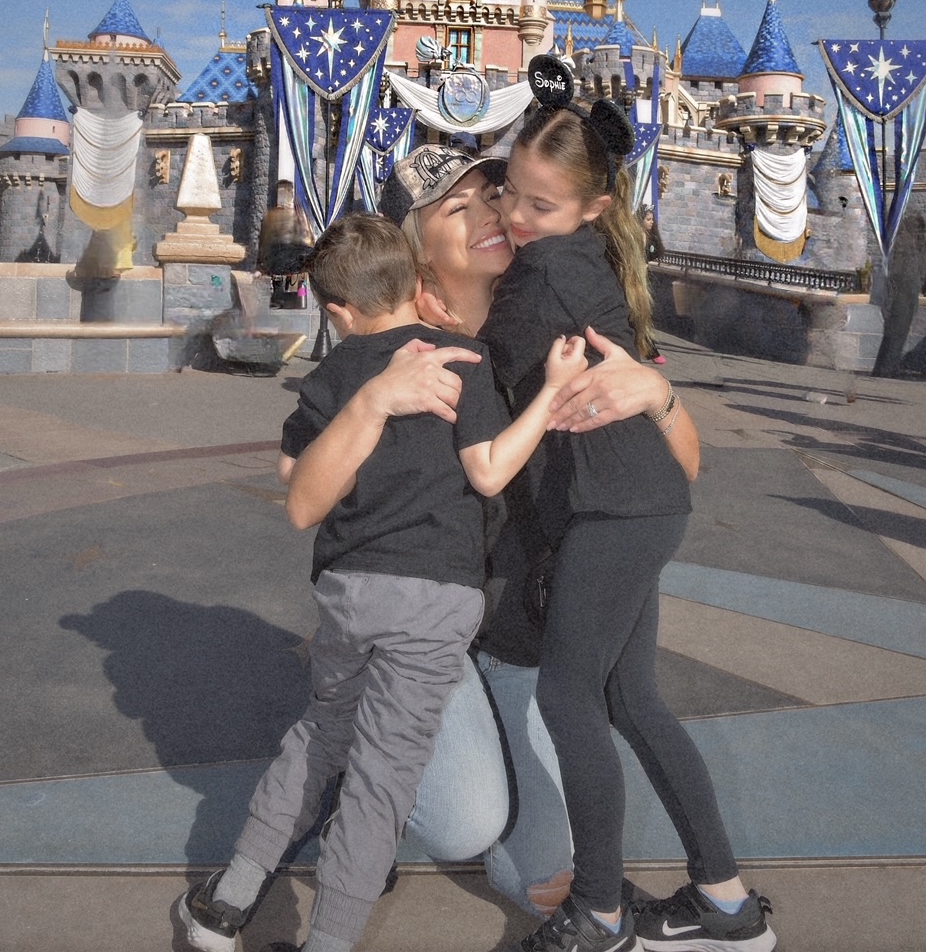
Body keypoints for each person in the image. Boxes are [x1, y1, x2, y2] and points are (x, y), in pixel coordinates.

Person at [179, 210, 586, 952]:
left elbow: (298, 483)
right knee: (381, 781)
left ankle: (227, 900)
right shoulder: (463, 361)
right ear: (412, 282)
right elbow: (490, 470)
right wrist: (550, 396)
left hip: (350, 591)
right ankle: (330, 940)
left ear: (336, 309)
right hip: (435, 601)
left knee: (321, 734)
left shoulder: (331, 374)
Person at [481, 103, 775, 952]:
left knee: (570, 694)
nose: (513, 215)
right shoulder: (580, 263)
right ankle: (724, 904)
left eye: (539, 204)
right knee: (629, 698)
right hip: (635, 503)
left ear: (592, 208)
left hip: (615, 508)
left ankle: (601, 913)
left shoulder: (544, 279)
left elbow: (487, 377)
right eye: (508, 192)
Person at [639, 207, 666, 364]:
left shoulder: (649, 237)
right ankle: (649, 350)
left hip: (644, 279)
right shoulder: (635, 236)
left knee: (644, 315)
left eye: (652, 220)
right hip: (634, 280)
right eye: (648, 220)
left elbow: (659, 251)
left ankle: (649, 349)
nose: (651, 223)